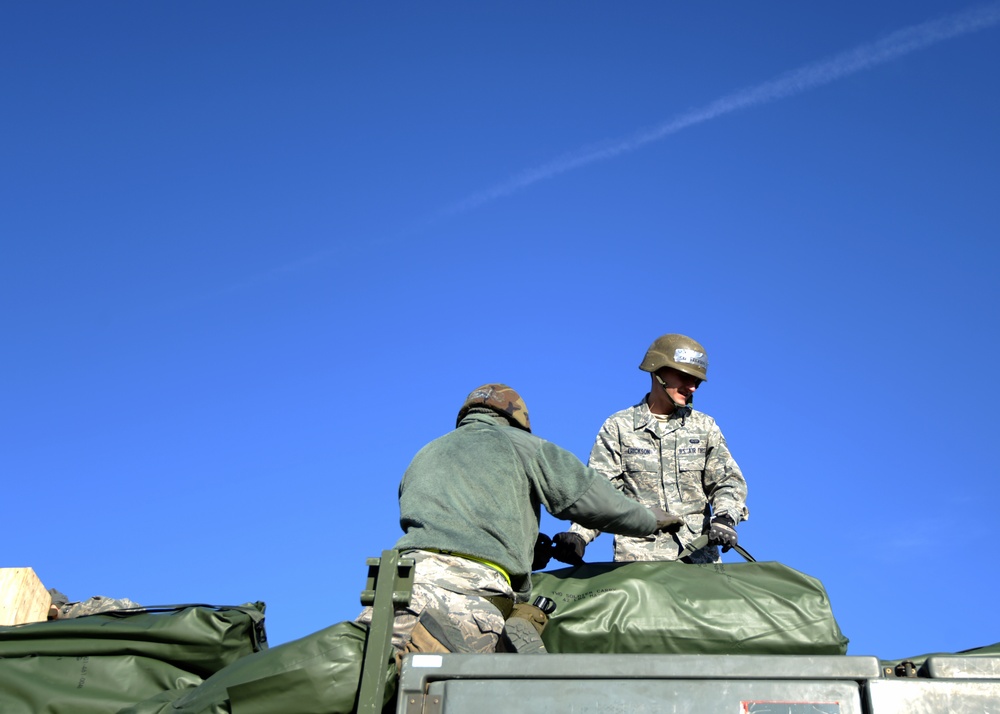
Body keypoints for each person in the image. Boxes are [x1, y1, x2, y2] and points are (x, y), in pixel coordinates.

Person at [357, 383, 682, 655]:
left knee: (378, 687)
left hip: (397, 587)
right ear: (517, 421)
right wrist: (647, 519)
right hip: (467, 598)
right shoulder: (522, 446)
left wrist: (525, 549)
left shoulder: (425, 454)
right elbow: (593, 499)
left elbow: (450, 526)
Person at [552, 334, 749, 565]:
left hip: (698, 563)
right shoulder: (619, 427)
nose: (692, 387)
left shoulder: (705, 428)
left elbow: (727, 481)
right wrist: (579, 535)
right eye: (684, 376)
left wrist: (725, 518)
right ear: (657, 371)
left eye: (697, 381)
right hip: (639, 568)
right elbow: (601, 493)